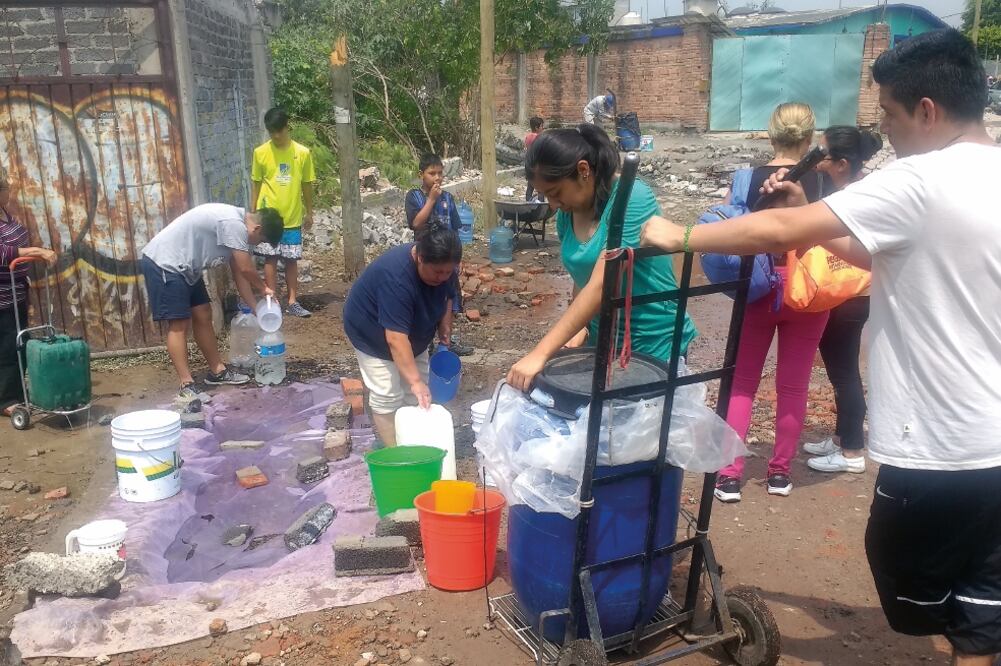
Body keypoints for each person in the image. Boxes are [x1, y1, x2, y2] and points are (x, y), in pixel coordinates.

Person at [640, 29, 1001, 666]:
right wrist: (811, 204)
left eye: (889, 113)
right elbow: (878, 251)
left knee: (915, 583)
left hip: (942, 449)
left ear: (927, 111)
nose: (885, 132)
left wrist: (681, 235)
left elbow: (778, 228)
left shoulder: (920, 179)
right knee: (982, 617)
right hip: (994, 442)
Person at [506, 125, 696, 393]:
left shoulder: (631, 198)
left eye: (555, 192)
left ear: (584, 171)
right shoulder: (566, 214)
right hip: (603, 340)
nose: (551, 204)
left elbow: (601, 283)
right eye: (545, 196)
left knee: (641, 430)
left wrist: (541, 353)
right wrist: (579, 327)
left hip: (654, 343)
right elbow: (583, 277)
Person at [711, 102, 827, 503]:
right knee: (793, 386)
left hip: (757, 286)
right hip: (808, 290)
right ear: (810, 137)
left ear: (771, 133)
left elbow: (732, 231)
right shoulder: (824, 182)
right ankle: (779, 474)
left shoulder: (746, 178)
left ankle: (729, 476)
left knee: (742, 382)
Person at [802, 126, 883, 475]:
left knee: (845, 371)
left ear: (842, 163)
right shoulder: (862, 187)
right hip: (854, 292)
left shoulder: (853, 197)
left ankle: (851, 452)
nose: (817, 162)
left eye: (823, 156)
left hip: (852, 294)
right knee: (842, 368)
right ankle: (842, 437)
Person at [141, 204, 283, 397]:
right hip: (166, 263)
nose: (256, 244)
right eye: (260, 241)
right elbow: (246, 269)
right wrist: (264, 288)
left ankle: (217, 371)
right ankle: (186, 384)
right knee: (179, 324)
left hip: (187, 267)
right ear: (257, 229)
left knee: (203, 314)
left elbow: (240, 275)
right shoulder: (234, 224)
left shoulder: (237, 228)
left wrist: (256, 308)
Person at [342, 222, 462, 446]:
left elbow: (448, 295)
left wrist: (445, 325)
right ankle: (395, 451)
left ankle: (414, 441)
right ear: (420, 257)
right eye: (438, 272)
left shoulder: (444, 267)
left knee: (417, 393)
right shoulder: (396, 277)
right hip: (371, 332)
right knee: (387, 394)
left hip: (414, 329)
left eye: (448, 271)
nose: (443, 277)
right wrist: (414, 380)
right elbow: (396, 339)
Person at [0, 166, 57, 418]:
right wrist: (38, 251)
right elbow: (2, 253)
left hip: (16, 291)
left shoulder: (4, 212)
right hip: (2, 297)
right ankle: (6, 400)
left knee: (19, 342)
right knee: (7, 347)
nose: (10, 194)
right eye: (6, 189)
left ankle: (15, 390)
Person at [404, 154, 472, 356]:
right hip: (426, 259)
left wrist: (458, 259)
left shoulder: (448, 199)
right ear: (421, 175)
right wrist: (431, 200)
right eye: (431, 173)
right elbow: (416, 224)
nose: (437, 178)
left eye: (440, 173)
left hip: (447, 256)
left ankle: (447, 340)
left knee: (449, 299)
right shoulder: (415, 196)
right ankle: (425, 342)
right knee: (425, 299)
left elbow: (456, 230)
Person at [250, 107, 316, 318]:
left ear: (288, 127)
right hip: (268, 217)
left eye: (280, 130)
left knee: (291, 259)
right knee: (270, 259)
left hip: (291, 215)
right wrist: (253, 213)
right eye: (272, 132)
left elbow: (307, 184)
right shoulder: (260, 153)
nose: (276, 136)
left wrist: (309, 212)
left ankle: (293, 301)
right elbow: (256, 183)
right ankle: (273, 301)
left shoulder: (302, 153)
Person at [525, 116, 545, 201]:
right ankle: (540, 206)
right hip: (537, 165)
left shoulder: (527, 137)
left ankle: (527, 203)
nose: (542, 128)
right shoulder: (539, 138)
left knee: (530, 186)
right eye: (541, 126)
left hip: (529, 164)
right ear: (537, 128)